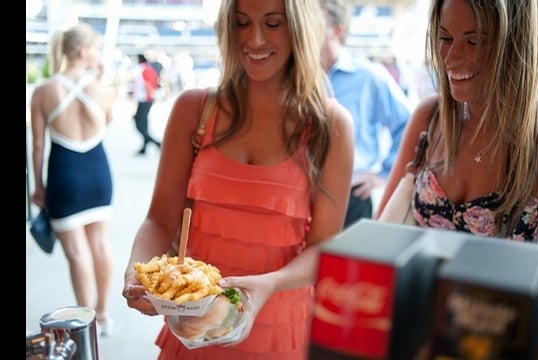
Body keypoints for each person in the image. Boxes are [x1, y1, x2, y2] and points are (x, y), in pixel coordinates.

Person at [121, 0, 355, 359]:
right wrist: (139, 272)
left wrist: (269, 284)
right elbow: (159, 219)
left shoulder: (331, 125)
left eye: (272, 23)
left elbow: (323, 247)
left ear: (299, 28)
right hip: (193, 330)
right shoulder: (194, 110)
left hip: (281, 332)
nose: (254, 39)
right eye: (242, 23)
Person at [375, 0, 538, 245]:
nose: (451, 58)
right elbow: (378, 235)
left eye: (473, 41)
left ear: (515, 43)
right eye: (444, 38)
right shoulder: (429, 116)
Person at [29, 22, 117, 336]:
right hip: (98, 174)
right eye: (95, 48)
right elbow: (107, 122)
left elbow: (38, 144)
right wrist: (102, 81)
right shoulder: (103, 89)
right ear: (83, 52)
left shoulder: (43, 91)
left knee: (77, 254)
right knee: (101, 246)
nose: (98, 54)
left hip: (65, 177)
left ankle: (87, 323)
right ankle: (105, 314)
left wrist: (38, 186)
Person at [319, 0, 414, 229]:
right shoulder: (296, 79)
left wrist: (384, 174)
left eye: (313, 24)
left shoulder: (369, 77)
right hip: (304, 194)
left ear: (337, 31)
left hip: (352, 198)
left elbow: (410, 123)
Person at [132, 53, 161, 155]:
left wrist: (149, 96)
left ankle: (156, 143)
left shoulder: (143, 69)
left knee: (139, 123)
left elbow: (148, 84)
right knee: (143, 123)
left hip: (145, 99)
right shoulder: (148, 68)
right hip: (146, 98)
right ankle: (144, 146)